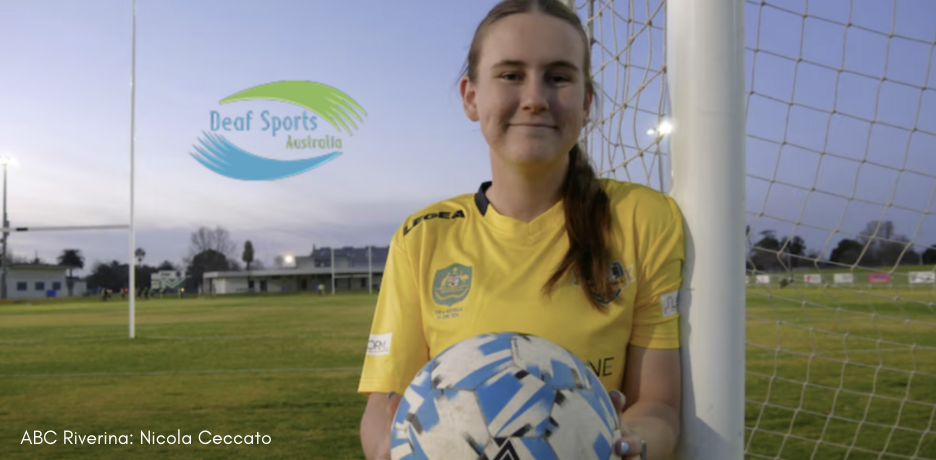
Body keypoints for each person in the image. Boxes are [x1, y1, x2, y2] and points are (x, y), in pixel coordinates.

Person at [357, 1, 685, 459]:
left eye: (558, 77)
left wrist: (626, 443)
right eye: (511, 75)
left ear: (587, 101)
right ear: (471, 97)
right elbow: (384, 410)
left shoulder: (643, 219)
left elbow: (660, 404)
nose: (535, 98)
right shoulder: (422, 237)